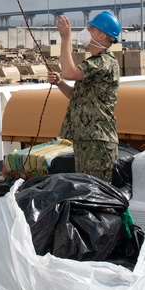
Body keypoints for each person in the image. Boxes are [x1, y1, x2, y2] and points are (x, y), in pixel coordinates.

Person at [47, 11, 121, 182]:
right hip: (87, 139)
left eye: (92, 28)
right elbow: (77, 96)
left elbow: (69, 72)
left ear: (102, 36)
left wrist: (65, 38)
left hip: (97, 141)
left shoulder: (104, 62)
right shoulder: (96, 62)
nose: (86, 30)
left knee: (96, 191)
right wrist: (60, 83)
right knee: (87, 188)